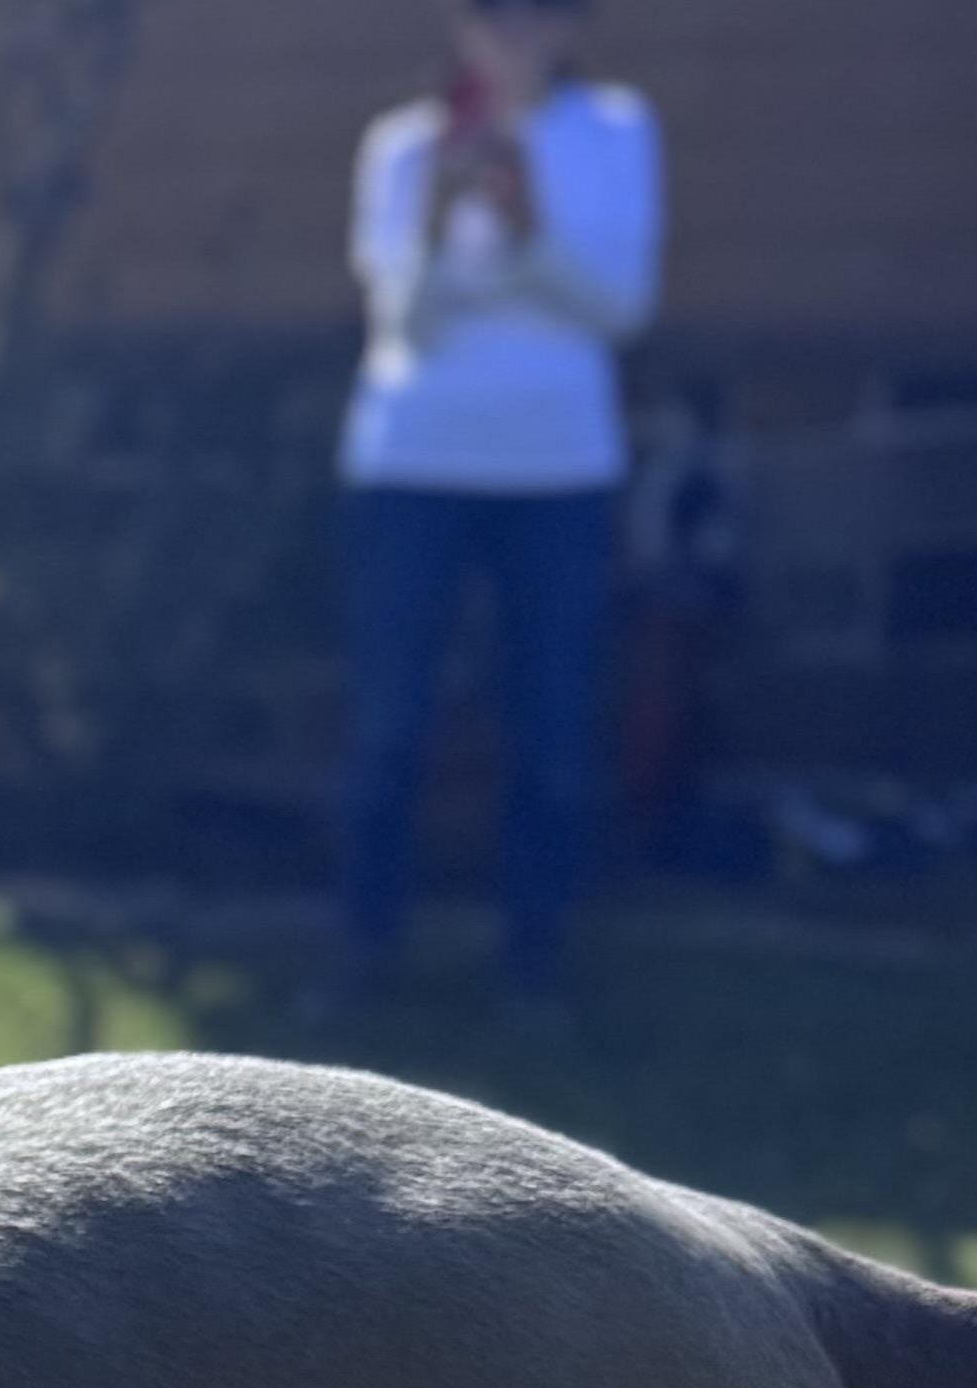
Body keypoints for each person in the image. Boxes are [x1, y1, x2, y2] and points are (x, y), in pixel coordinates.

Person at [332, 0, 661, 1009]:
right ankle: (361, 959)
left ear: (568, 27)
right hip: (413, 465)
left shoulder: (612, 130)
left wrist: (527, 229)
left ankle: (534, 970)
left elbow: (618, 307)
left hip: (557, 469)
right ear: (460, 27)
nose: (515, 36)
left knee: (551, 730)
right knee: (387, 727)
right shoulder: (405, 145)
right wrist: (440, 222)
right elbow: (406, 329)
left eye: (537, 14)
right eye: (493, 15)